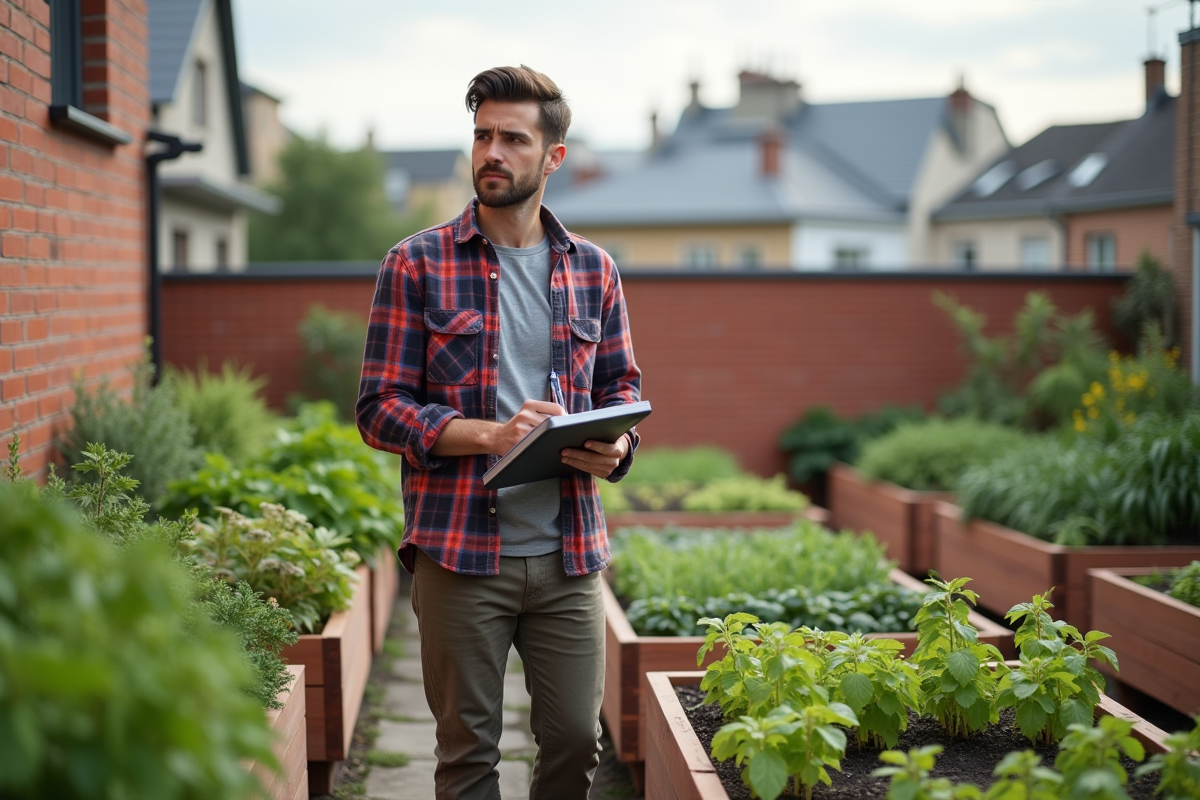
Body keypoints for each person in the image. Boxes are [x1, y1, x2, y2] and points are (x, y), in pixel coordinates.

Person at [356, 65, 642, 800]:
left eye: (513, 138)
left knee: (577, 742)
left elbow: (621, 389)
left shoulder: (594, 271)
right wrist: (488, 436)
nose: (492, 152)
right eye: (482, 135)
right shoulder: (415, 263)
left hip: (568, 556)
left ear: (553, 158)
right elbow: (378, 408)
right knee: (466, 758)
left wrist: (618, 448)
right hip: (459, 555)